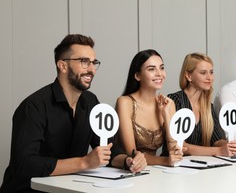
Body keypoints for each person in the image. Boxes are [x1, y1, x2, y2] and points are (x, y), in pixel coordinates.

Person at [0, 34, 146, 193]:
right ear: (62, 66)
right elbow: (24, 164)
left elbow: (108, 150)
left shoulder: (91, 102)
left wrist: (128, 161)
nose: (91, 69)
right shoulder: (33, 106)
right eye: (84, 62)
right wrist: (84, 162)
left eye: (93, 63)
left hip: (68, 188)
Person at [115, 49, 183, 167]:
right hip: (128, 172)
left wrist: (166, 116)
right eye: (151, 69)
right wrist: (165, 161)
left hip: (155, 172)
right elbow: (132, 154)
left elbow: (175, 151)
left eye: (161, 68)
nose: (159, 74)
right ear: (137, 75)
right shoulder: (125, 103)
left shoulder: (168, 104)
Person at [167, 53, 236, 156]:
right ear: (188, 76)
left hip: (200, 166)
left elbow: (216, 141)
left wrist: (228, 145)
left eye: (211, 72)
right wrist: (219, 151)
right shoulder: (174, 101)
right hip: (173, 166)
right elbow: (179, 145)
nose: (209, 78)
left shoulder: (208, 107)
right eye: (203, 73)